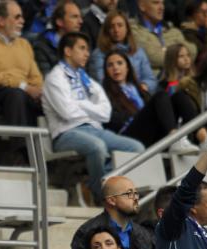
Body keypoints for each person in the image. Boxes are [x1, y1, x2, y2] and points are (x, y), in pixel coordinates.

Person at [42, 32, 145, 204]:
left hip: (94, 129)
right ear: (68, 51)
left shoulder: (86, 79)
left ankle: (93, 183)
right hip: (66, 133)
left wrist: (79, 104)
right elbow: (67, 113)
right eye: (82, 48)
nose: (87, 53)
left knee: (137, 148)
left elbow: (105, 113)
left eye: (88, 49)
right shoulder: (55, 78)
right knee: (97, 147)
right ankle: (101, 195)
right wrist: (90, 109)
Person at [67, 175, 154, 249]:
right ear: (112, 200)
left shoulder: (143, 234)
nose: (135, 198)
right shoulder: (87, 231)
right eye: (129, 193)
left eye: (136, 193)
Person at [88, 10, 158, 93]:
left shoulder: (138, 51)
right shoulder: (99, 54)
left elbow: (150, 79)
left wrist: (143, 87)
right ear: (106, 30)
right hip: (115, 97)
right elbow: (101, 81)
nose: (116, 30)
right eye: (112, 26)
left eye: (120, 25)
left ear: (127, 28)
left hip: (140, 93)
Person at [130, 0, 197, 75]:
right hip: (156, 82)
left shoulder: (172, 29)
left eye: (162, 3)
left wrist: (165, 50)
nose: (161, 7)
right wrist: (180, 53)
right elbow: (154, 57)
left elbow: (192, 51)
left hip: (180, 79)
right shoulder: (135, 31)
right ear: (142, 6)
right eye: (156, 3)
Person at [33, 1, 84, 76]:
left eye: (80, 17)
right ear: (60, 22)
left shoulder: (80, 45)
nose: (80, 21)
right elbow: (49, 80)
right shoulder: (42, 47)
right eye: (74, 17)